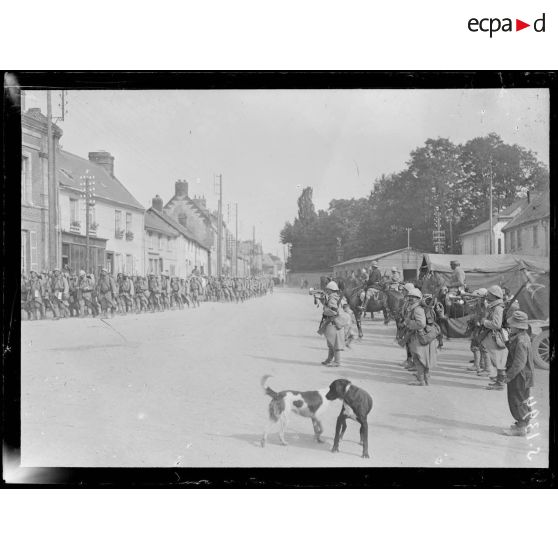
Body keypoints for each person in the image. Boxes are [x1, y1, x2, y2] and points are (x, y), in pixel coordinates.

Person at [501, 311, 535, 436]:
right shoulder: (523, 337)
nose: (510, 327)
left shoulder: (520, 341)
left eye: (512, 325)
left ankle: (520, 427)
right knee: (524, 400)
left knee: (516, 400)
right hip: (524, 375)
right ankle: (525, 424)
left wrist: (508, 376)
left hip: (519, 376)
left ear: (518, 327)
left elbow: (519, 363)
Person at [404, 288, 437, 386]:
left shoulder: (417, 309)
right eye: (409, 297)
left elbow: (421, 323)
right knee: (424, 358)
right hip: (421, 336)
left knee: (418, 358)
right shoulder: (416, 307)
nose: (410, 299)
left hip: (419, 336)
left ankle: (421, 380)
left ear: (418, 298)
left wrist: (408, 322)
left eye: (413, 297)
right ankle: (425, 379)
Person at [482, 285, 509, 390]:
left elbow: (496, 325)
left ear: (494, 295)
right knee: (496, 360)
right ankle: (499, 381)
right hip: (494, 337)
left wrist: (485, 322)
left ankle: (500, 383)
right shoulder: (494, 306)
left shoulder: (498, 308)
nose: (487, 295)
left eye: (489, 294)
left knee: (499, 360)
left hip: (496, 338)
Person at [319, 281, 345, 367]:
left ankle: (337, 362)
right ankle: (329, 359)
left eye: (328, 289)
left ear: (331, 290)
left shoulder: (332, 298)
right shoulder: (335, 297)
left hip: (333, 322)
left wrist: (325, 309)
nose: (327, 291)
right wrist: (323, 302)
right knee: (331, 343)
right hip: (333, 322)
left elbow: (333, 311)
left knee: (335, 343)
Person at [466, 288, 489, 375]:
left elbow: (484, 315)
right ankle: (480, 365)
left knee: (478, 347)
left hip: (481, 328)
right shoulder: (480, 304)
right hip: (478, 327)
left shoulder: (485, 305)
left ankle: (479, 365)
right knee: (477, 347)